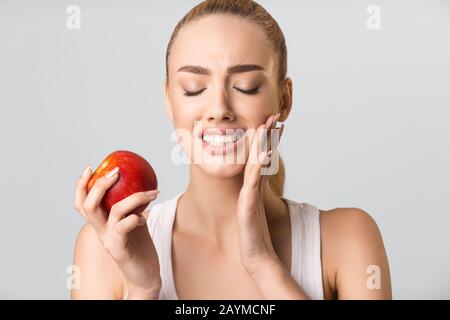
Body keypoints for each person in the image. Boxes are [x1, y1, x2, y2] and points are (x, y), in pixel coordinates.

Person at [71, 0, 392, 300]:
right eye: (194, 88)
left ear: (284, 100)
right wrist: (143, 287)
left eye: (246, 86)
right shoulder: (106, 249)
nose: (219, 108)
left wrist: (264, 264)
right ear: (169, 100)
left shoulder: (348, 239)